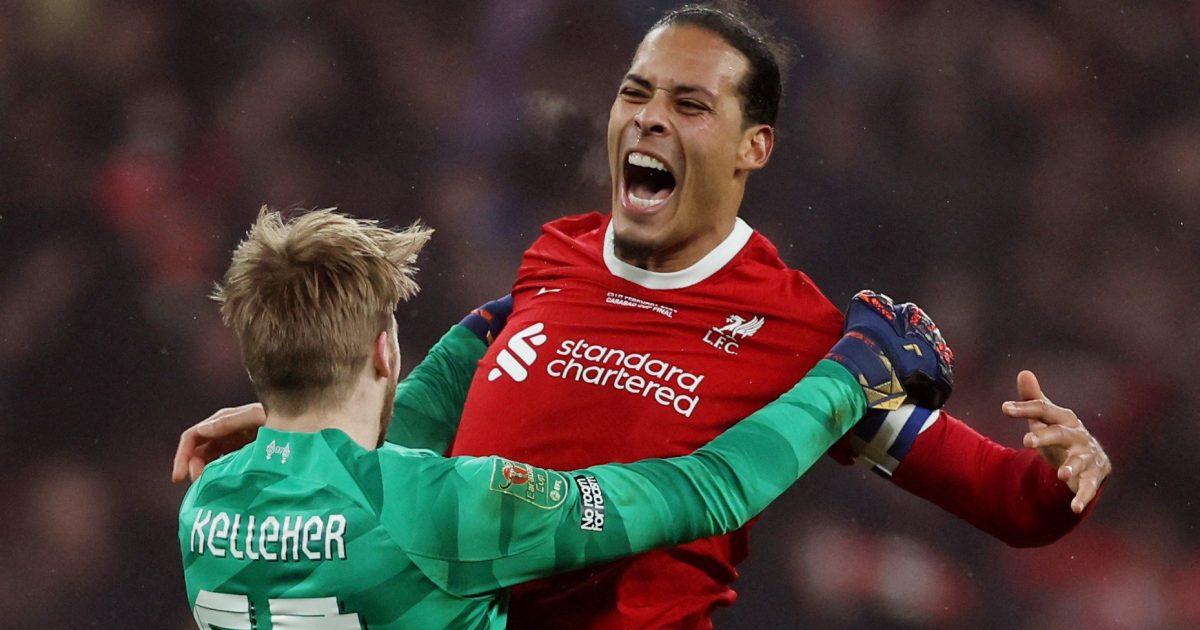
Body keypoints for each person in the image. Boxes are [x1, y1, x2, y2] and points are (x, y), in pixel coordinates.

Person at [175, 3, 1111, 627]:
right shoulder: (559, 256)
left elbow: (1010, 502)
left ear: (755, 145)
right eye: (636, 91)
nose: (648, 118)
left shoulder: (800, 334)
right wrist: (310, 423)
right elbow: (449, 387)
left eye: (689, 103)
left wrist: (1065, 471)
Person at [179, 205, 954, 628]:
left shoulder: (206, 504)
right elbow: (704, 490)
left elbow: (356, 466)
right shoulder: (444, 506)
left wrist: (513, 317)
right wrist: (854, 375)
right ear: (386, 350)